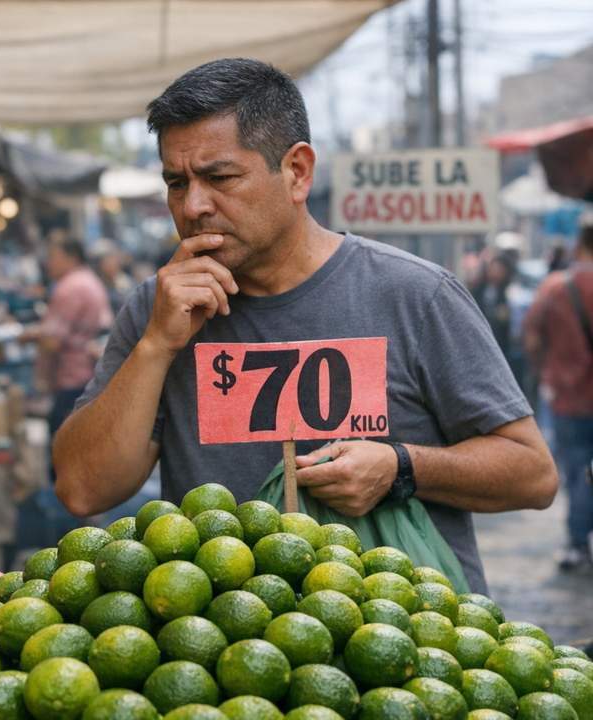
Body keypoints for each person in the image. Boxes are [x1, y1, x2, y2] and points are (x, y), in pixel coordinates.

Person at [52, 58, 557, 594]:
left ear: (296, 171)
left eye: (220, 177)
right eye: (177, 183)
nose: (194, 205)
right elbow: (83, 489)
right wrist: (156, 345)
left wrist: (401, 466)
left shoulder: (415, 295)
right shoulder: (160, 308)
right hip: (225, 652)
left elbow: (532, 473)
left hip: (399, 642)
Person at [524, 219, 593, 571]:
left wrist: (548, 370)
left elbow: (532, 338)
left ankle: (578, 544)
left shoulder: (556, 288)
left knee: (579, 470)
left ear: (578, 244)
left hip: (570, 397)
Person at [33, 236, 113, 453]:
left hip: (73, 376)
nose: (48, 262)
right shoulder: (89, 280)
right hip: (88, 374)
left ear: (71, 257)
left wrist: (31, 337)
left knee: (62, 444)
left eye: (53, 256)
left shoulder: (70, 287)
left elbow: (52, 341)